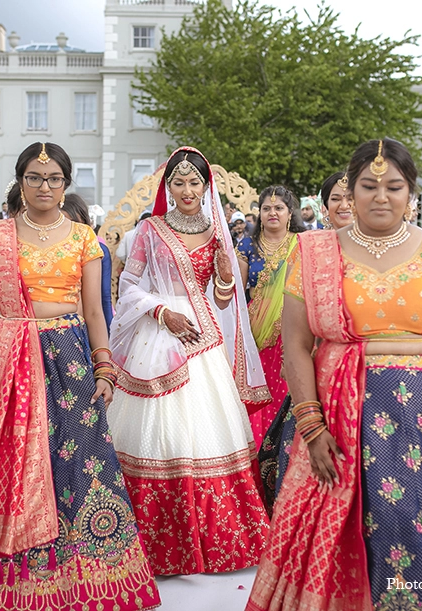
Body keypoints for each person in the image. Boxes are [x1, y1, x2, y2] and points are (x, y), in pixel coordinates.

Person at [248, 138, 422, 611]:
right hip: (335, 418)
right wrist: (311, 426)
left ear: (411, 192)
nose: (381, 197)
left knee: (413, 524)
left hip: (420, 421)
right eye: (368, 186)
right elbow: (296, 346)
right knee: (336, 531)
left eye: (394, 187)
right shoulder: (314, 254)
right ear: (350, 190)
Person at [0, 142, 159, 610]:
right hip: (8, 360)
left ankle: (80, 576)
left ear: (65, 184)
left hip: (68, 357)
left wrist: (104, 366)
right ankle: (2, 577)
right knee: (1, 463)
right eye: (34, 177)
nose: (44, 186)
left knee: (77, 463)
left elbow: (95, 311)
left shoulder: (83, 238)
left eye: (53, 179)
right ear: (21, 182)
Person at [108, 147, 270, 575]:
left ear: (205, 186)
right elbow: (129, 286)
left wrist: (225, 277)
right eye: (178, 182)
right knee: (157, 431)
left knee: (205, 430)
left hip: (203, 340)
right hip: (157, 336)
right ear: (168, 186)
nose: (186, 190)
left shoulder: (217, 232)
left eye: (194, 182)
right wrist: (163, 312)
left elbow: (222, 301)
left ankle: (214, 542)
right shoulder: (150, 230)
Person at [236, 185, 304, 450]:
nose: (272, 213)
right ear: (260, 213)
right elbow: (235, 293)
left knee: (285, 392)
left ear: (290, 213)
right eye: (266, 208)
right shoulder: (247, 245)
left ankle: (284, 453)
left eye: (279, 208)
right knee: (259, 395)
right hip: (255, 332)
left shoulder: (302, 243)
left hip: (293, 330)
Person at [62, 193, 113, 330]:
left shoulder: (98, 250)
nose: (72, 231)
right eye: (65, 224)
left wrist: (107, 335)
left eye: (77, 224)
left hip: (86, 325)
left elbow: (104, 298)